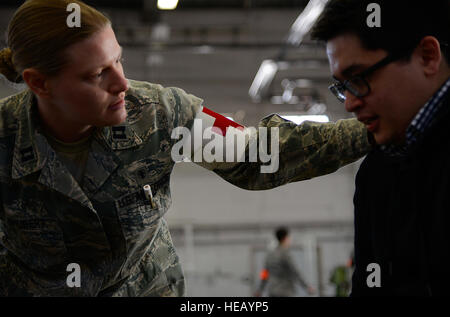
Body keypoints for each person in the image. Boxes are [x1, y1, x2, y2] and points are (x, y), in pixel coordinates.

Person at [0, 0, 370, 296]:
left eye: (118, 60)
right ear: (39, 83)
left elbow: (257, 155)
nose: (122, 83)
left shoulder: (159, 114)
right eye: (97, 74)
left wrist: (368, 131)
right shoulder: (5, 139)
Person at [311, 0, 450, 295]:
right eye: (342, 86)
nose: (349, 102)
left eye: (359, 78)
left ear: (427, 56)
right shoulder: (377, 172)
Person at [255, 227, 314, 297]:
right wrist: (306, 287)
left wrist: (260, 290)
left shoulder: (270, 254)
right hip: (285, 291)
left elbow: (264, 273)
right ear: (285, 238)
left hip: (272, 291)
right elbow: (294, 271)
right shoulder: (285, 254)